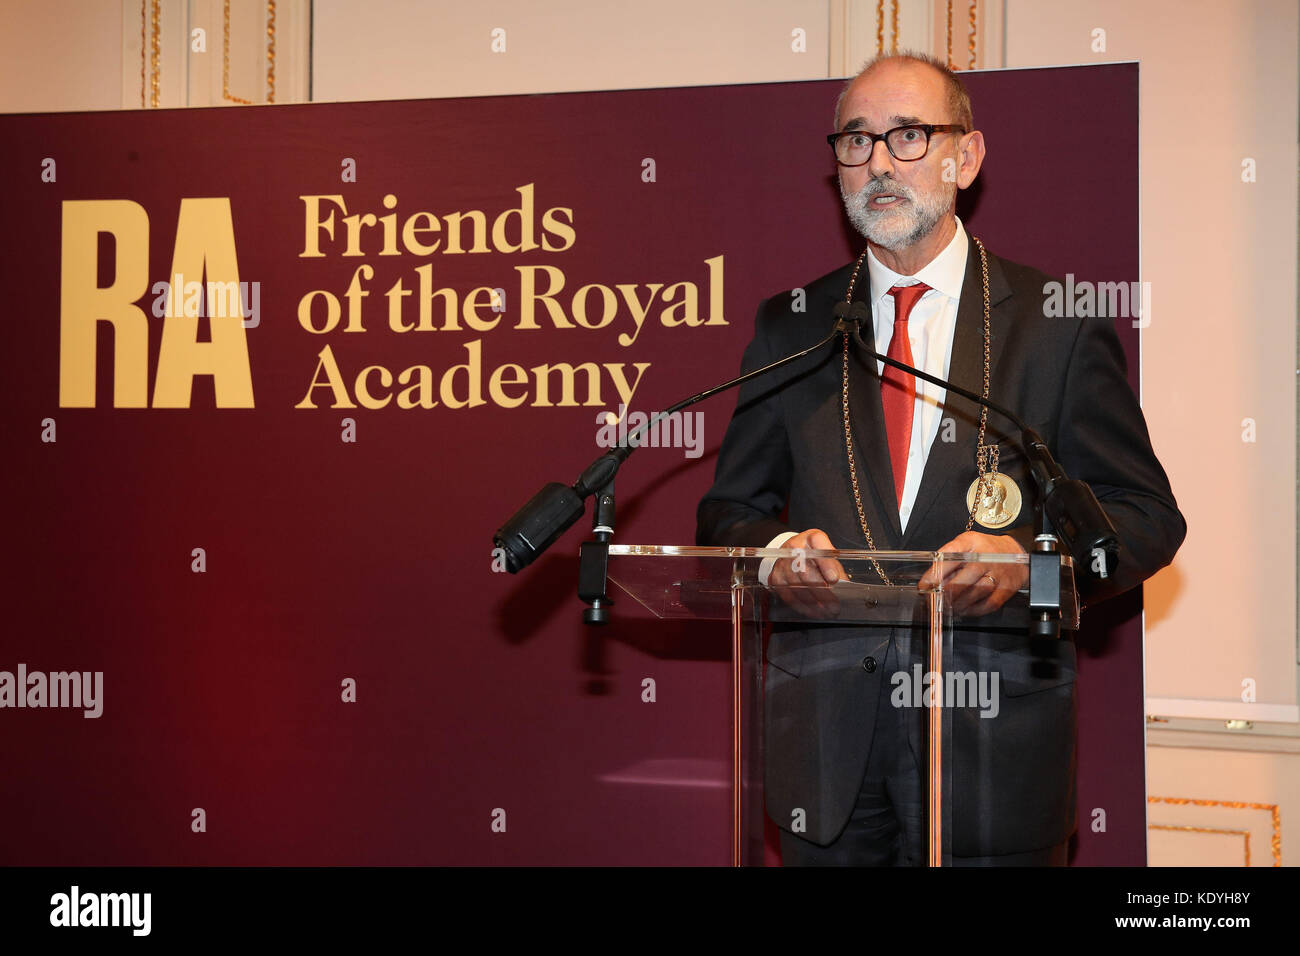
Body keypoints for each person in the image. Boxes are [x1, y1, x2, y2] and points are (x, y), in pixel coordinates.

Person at [695, 52, 1185, 865]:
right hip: (826, 748)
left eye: (909, 136)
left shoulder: (1055, 325)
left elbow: (1143, 519)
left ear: (967, 156)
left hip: (992, 753)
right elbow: (726, 511)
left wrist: (1028, 562)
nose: (879, 162)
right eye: (856, 140)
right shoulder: (795, 324)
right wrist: (776, 552)